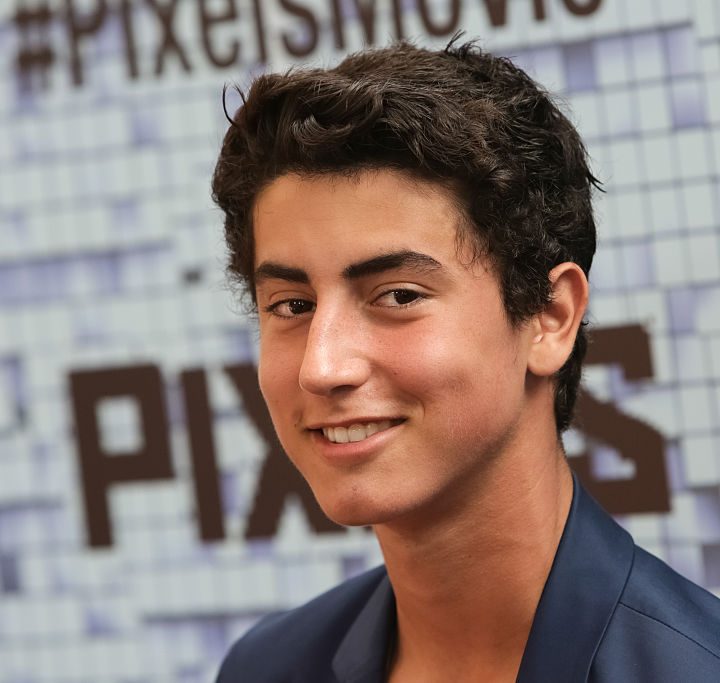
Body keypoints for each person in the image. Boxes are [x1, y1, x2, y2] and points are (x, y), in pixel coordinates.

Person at [211, 39, 720, 682]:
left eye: (399, 296)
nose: (323, 366)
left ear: (550, 317)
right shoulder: (267, 668)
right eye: (291, 305)